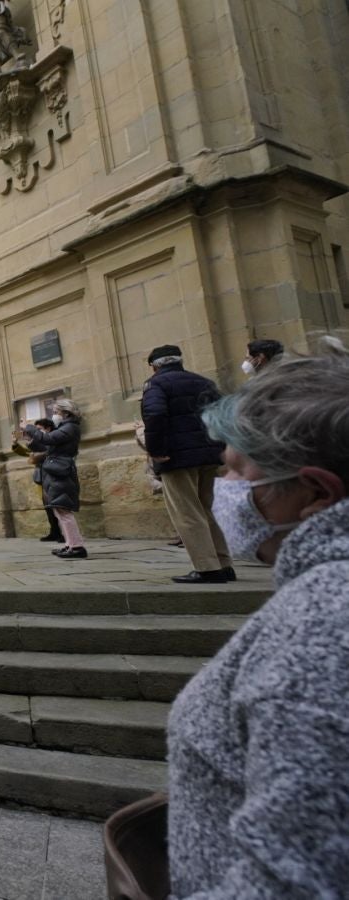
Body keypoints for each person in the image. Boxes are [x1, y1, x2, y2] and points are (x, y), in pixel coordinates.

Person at [163, 339, 349, 897]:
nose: (229, 492)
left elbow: (297, 880)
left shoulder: (323, 631)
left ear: (315, 492)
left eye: (236, 472)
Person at [141, 344, 234, 583]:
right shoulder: (204, 382)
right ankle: (224, 564)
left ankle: (207, 568)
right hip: (210, 455)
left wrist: (156, 451)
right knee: (208, 509)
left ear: (154, 366)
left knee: (187, 512)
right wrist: (223, 448)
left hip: (177, 457)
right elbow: (224, 414)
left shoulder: (156, 384)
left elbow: (155, 415)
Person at [20, 399, 87, 558]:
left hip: (60, 471)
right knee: (59, 510)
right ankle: (70, 544)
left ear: (66, 412)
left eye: (56, 412)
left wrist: (29, 427)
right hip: (56, 471)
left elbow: (48, 440)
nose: (54, 415)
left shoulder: (70, 427)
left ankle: (77, 547)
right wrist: (29, 438)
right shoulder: (65, 427)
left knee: (64, 511)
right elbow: (46, 446)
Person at [11, 418, 64, 543]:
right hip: (41, 477)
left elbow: (42, 448)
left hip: (52, 476)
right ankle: (55, 532)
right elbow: (26, 453)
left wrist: (29, 433)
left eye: (40, 429)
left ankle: (64, 533)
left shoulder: (52, 438)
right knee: (48, 507)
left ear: (48, 429)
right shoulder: (38, 441)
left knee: (58, 506)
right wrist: (15, 444)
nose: (37, 432)